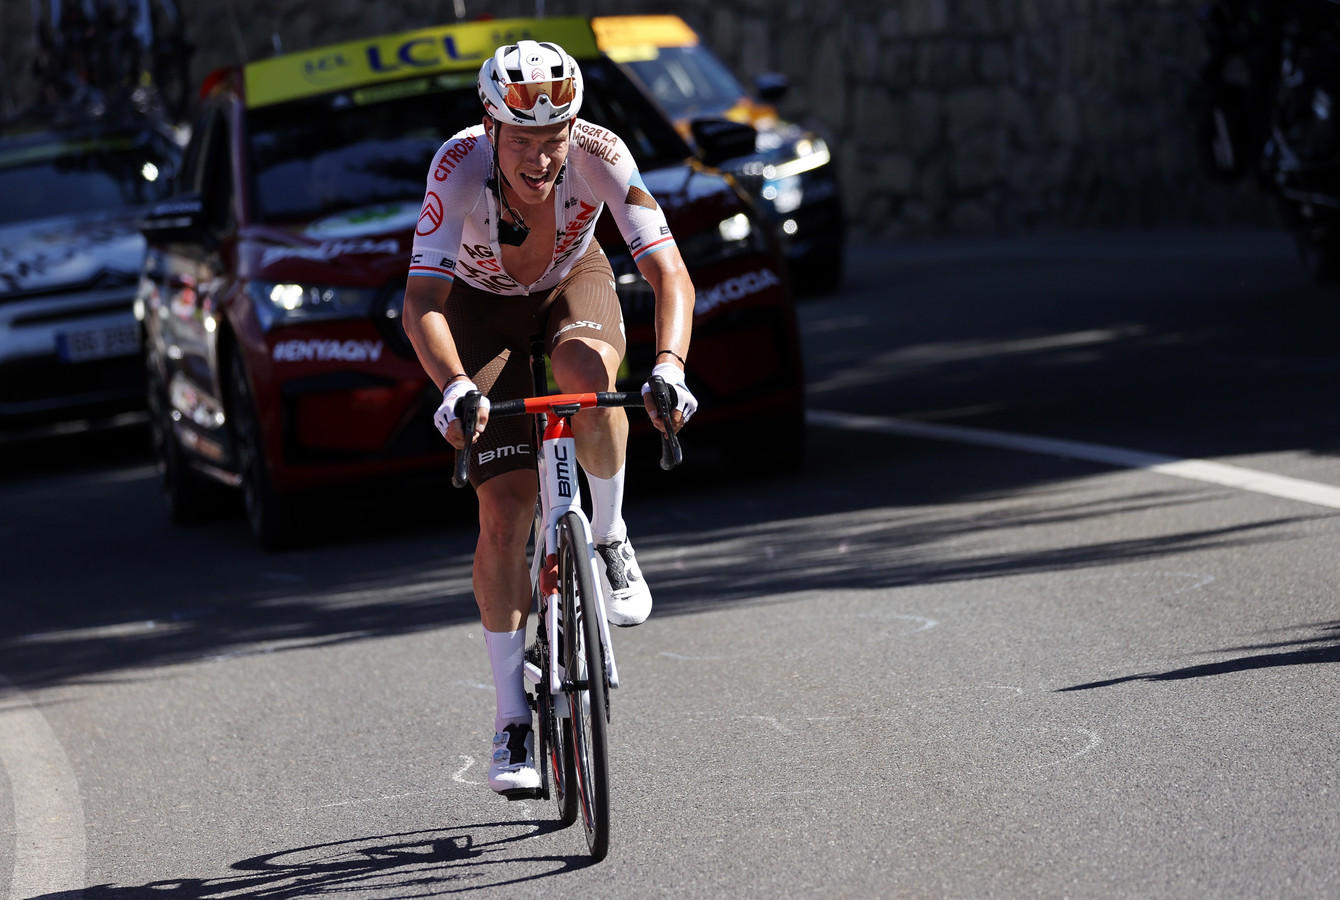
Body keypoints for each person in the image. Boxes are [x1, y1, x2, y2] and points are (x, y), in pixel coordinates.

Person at [402, 40, 698, 797]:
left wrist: (670, 365)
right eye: (524, 141)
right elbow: (422, 305)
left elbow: (669, 273)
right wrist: (456, 387)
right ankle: (510, 720)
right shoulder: (456, 168)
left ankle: (608, 535)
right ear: (491, 127)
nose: (541, 160)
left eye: (554, 140)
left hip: (573, 284)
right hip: (478, 309)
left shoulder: (602, 154)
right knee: (504, 510)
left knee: (586, 377)